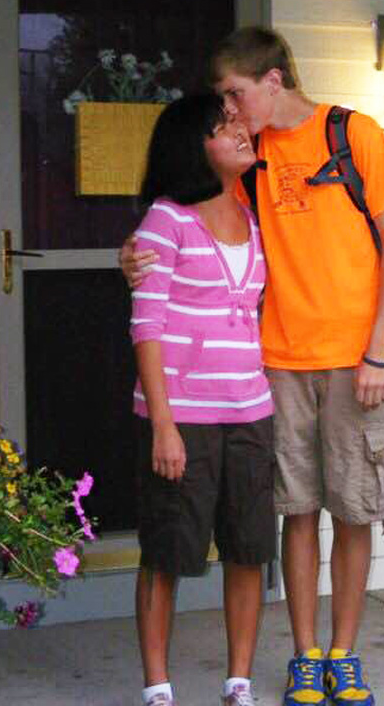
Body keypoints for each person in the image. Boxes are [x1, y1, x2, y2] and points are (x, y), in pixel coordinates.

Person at [123, 28, 384, 706]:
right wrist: (132, 255)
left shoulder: (353, 134)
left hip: (354, 361)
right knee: (298, 510)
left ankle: (345, 652)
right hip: (275, 361)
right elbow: (193, 212)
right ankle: (306, 655)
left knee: (354, 506)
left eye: (234, 93)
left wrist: (379, 350)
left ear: (274, 80)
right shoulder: (249, 158)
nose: (228, 109)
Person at [130, 92, 276, 706]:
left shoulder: (254, 218)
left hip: (252, 413)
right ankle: (159, 687)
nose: (242, 131)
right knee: (167, 552)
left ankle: (237, 682)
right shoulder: (167, 220)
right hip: (184, 418)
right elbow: (148, 326)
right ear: (197, 147)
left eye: (238, 121)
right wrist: (163, 424)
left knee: (246, 550)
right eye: (225, 126)